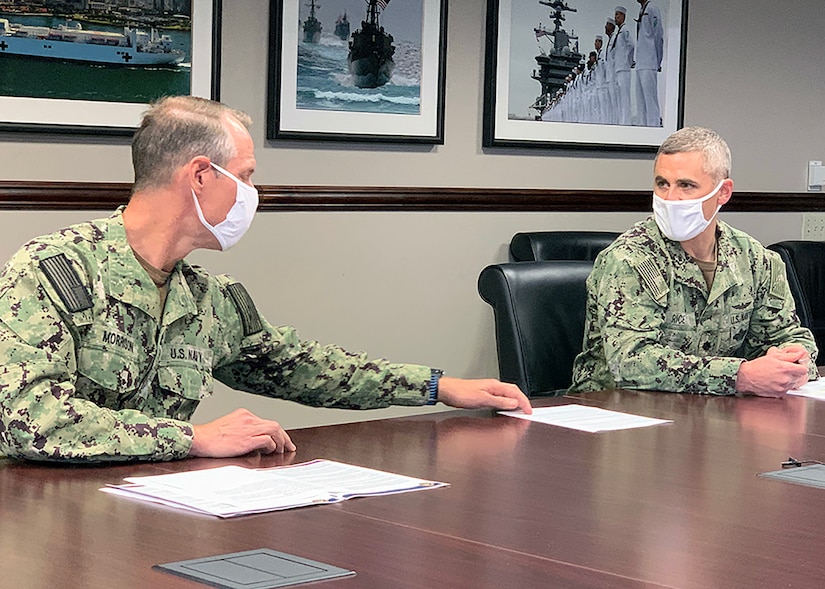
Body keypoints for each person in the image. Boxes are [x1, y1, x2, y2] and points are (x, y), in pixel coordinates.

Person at [0, 96, 532, 463]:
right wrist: (191, 438)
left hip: (158, 506)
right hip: (45, 515)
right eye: (247, 175)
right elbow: (28, 417)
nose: (256, 191)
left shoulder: (206, 297)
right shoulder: (53, 271)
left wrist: (438, 386)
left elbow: (299, 367)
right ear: (202, 176)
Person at [569, 126, 818, 397]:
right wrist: (740, 376)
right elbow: (631, 362)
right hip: (620, 413)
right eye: (662, 183)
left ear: (723, 192)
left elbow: (785, 335)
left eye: (686, 185)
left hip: (713, 414)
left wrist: (795, 360)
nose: (670, 198)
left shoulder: (756, 259)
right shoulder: (629, 258)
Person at [633, 0, 664, 126]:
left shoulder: (652, 9)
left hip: (649, 61)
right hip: (640, 62)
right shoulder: (642, 10)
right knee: (640, 102)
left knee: (650, 101)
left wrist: (658, 60)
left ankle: (654, 127)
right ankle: (642, 129)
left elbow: (658, 36)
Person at [610, 6, 635, 126]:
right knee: (620, 99)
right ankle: (622, 122)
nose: (616, 17)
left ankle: (626, 123)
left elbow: (631, 45)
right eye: (615, 15)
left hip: (624, 69)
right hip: (618, 70)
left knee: (624, 99)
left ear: (623, 16)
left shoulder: (625, 30)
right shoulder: (619, 33)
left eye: (618, 15)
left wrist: (628, 61)